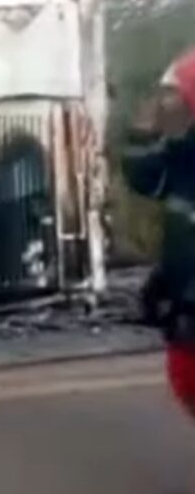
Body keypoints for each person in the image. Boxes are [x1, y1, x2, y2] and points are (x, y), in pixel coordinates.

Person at [123, 48, 195, 421]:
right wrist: (141, 131)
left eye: (175, 100)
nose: (167, 109)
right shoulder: (182, 155)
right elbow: (142, 175)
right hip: (184, 295)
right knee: (185, 379)